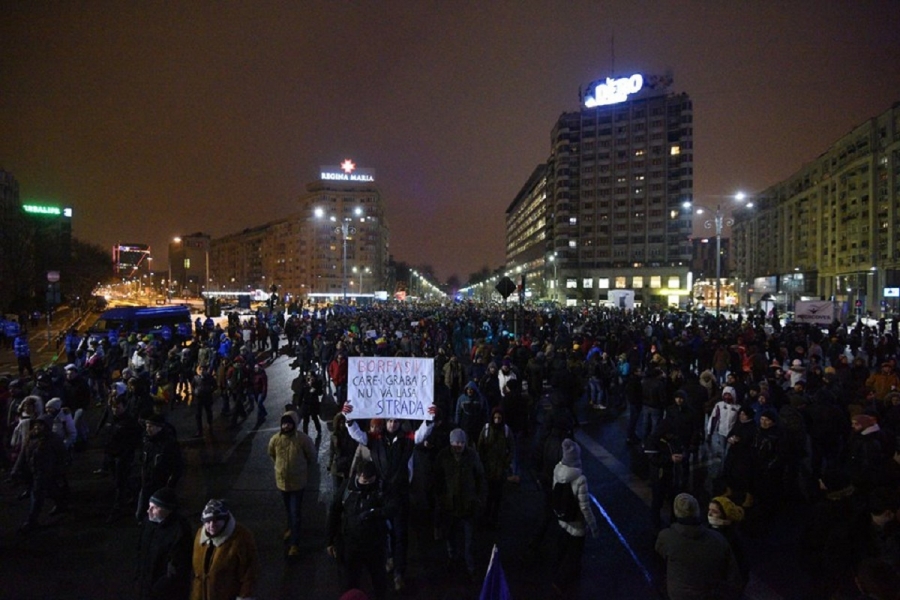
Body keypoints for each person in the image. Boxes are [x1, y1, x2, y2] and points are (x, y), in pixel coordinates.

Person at [655, 493, 743, 600]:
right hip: (710, 595)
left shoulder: (666, 536)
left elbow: (660, 559)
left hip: (678, 595)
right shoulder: (718, 539)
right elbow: (734, 577)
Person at [327, 460, 392, 600]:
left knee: (379, 582)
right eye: (364, 481)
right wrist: (330, 540)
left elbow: (391, 508)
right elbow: (334, 512)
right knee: (350, 582)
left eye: (371, 481)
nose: (367, 485)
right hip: (352, 545)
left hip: (375, 546)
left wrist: (372, 513)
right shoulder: (347, 488)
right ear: (357, 476)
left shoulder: (382, 488)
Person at [433, 428, 485, 581]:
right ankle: (453, 558)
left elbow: (480, 477)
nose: (459, 445)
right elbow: (437, 479)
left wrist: (479, 499)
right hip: (450, 505)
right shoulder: (443, 456)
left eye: (462, 443)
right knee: (451, 536)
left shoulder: (472, 455)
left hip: (468, 505)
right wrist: (441, 498)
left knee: (469, 540)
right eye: (456, 442)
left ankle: (470, 566)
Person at [551, 438, 599, 596]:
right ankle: (561, 580)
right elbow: (584, 506)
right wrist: (593, 526)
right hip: (577, 523)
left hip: (563, 517)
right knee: (574, 554)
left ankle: (556, 572)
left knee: (562, 546)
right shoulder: (580, 479)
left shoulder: (557, 470)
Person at [267, 410, 317, 557]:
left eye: (289, 423)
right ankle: (291, 528)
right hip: (282, 482)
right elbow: (271, 454)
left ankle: (295, 543)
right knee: (288, 509)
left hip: (297, 483)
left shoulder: (302, 439)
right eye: (284, 423)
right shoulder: (275, 439)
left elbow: (311, 456)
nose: (286, 426)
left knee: (295, 512)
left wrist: (302, 468)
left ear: (294, 424)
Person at [190, 499, 260, 600]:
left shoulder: (241, 537)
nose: (211, 525)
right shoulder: (200, 535)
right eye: (208, 521)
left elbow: (250, 572)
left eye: (216, 521)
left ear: (225, 520)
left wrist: (245, 595)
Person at [10, 418, 69, 533]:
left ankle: (32, 521)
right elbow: (22, 454)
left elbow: (62, 456)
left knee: (37, 495)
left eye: (40, 425)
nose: (37, 427)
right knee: (51, 490)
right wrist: (15, 470)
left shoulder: (53, 439)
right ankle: (61, 504)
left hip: (46, 472)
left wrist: (59, 470)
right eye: (35, 425)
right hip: (33, 471)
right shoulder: (30, 437)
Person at [136, 487, 193, 600]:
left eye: (154, 508)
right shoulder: (149, 522)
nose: (148, 511)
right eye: (149, 506)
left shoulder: (180, 532)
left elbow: (178, 568)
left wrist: (159, 588)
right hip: (146, 585)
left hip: (165, 593)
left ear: (167, 510)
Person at [137, 414, 184, 523]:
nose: (147, 429)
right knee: (141, 513)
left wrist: (169, 485)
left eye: (150, 426)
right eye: (147, 426)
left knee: (160, 514)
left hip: (161, 485)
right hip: (147, 483)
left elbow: (177, 466)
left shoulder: (169, 444)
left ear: (159, 427)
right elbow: (143, 460)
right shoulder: (147, 442)